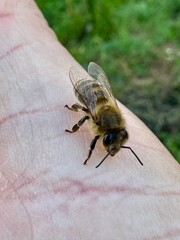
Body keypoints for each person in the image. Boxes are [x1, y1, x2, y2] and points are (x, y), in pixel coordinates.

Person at [0, 1, 179, 239]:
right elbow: (88, 116)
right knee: (84, 114)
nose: (115, 144)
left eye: (117, 140)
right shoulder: (100, 120)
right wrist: (83, 149)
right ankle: (73, 129)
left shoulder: (115, 122)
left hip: (102, 93)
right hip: (88, 92)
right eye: (115, 140)